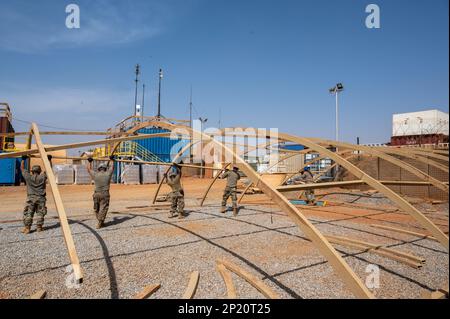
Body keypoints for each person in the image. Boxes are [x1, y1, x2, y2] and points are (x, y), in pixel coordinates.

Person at [20, 154, 51, 234]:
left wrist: (23, 159)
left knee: (29, 213)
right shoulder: (42, 177)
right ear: (40, 171)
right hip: (41, 198)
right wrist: (49, 160)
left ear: (32, 171)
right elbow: (49, 169)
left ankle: (27, 228)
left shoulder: (28, 177)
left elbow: (22, 168)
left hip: (31, 198)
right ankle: (39, 227)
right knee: (40, 213)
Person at [87, 155, 115, 229]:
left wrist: (90, 161)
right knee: (104, 208)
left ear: (99, 169)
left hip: (96, 194)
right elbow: (112, 168)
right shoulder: (108, 174)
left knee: (96, 209)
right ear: (105, 169)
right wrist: (112, 160)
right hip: (105, 194)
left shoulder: (95, 174)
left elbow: (89, 169)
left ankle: (100, 221)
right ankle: (100, 221)